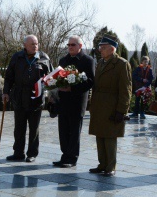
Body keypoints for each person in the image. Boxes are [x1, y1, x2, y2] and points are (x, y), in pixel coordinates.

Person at [2, 35, 53, 162]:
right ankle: (18, 152)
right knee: (19, 127)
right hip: (19, 97)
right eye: (32, 44)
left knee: (34, 128)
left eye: (36, 44)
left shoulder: (44, 58)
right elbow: (9, 77)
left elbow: (52, 77)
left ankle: (32, 153)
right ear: (25, 45)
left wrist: (50, 90)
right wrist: (5, 92)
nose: (35, 46)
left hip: (36, 98)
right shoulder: (17, 57)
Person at [88, 36, 132, 177]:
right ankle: (102, 164)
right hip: (99, 105)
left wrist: (122, 110)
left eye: (104, 47)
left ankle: (110, 166)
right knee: (99, 136)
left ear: (112, 49)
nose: (100, 49)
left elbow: (126, 90)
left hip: (112, 106)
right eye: (100, 47)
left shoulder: (121, 64)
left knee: (110, 137)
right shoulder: (101, 62)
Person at [53, 36, 95, 168]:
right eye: (68, 45)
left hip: (77, 101)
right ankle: (64, 155)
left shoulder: (88, 61)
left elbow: (90, 81)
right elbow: (57, 78)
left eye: (73, 45)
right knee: (63, 131)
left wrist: (72, 88)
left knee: (74, 131)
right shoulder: (63, 60)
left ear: (80, 46)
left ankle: (72, 158)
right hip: (63, 101)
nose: (70, 47)